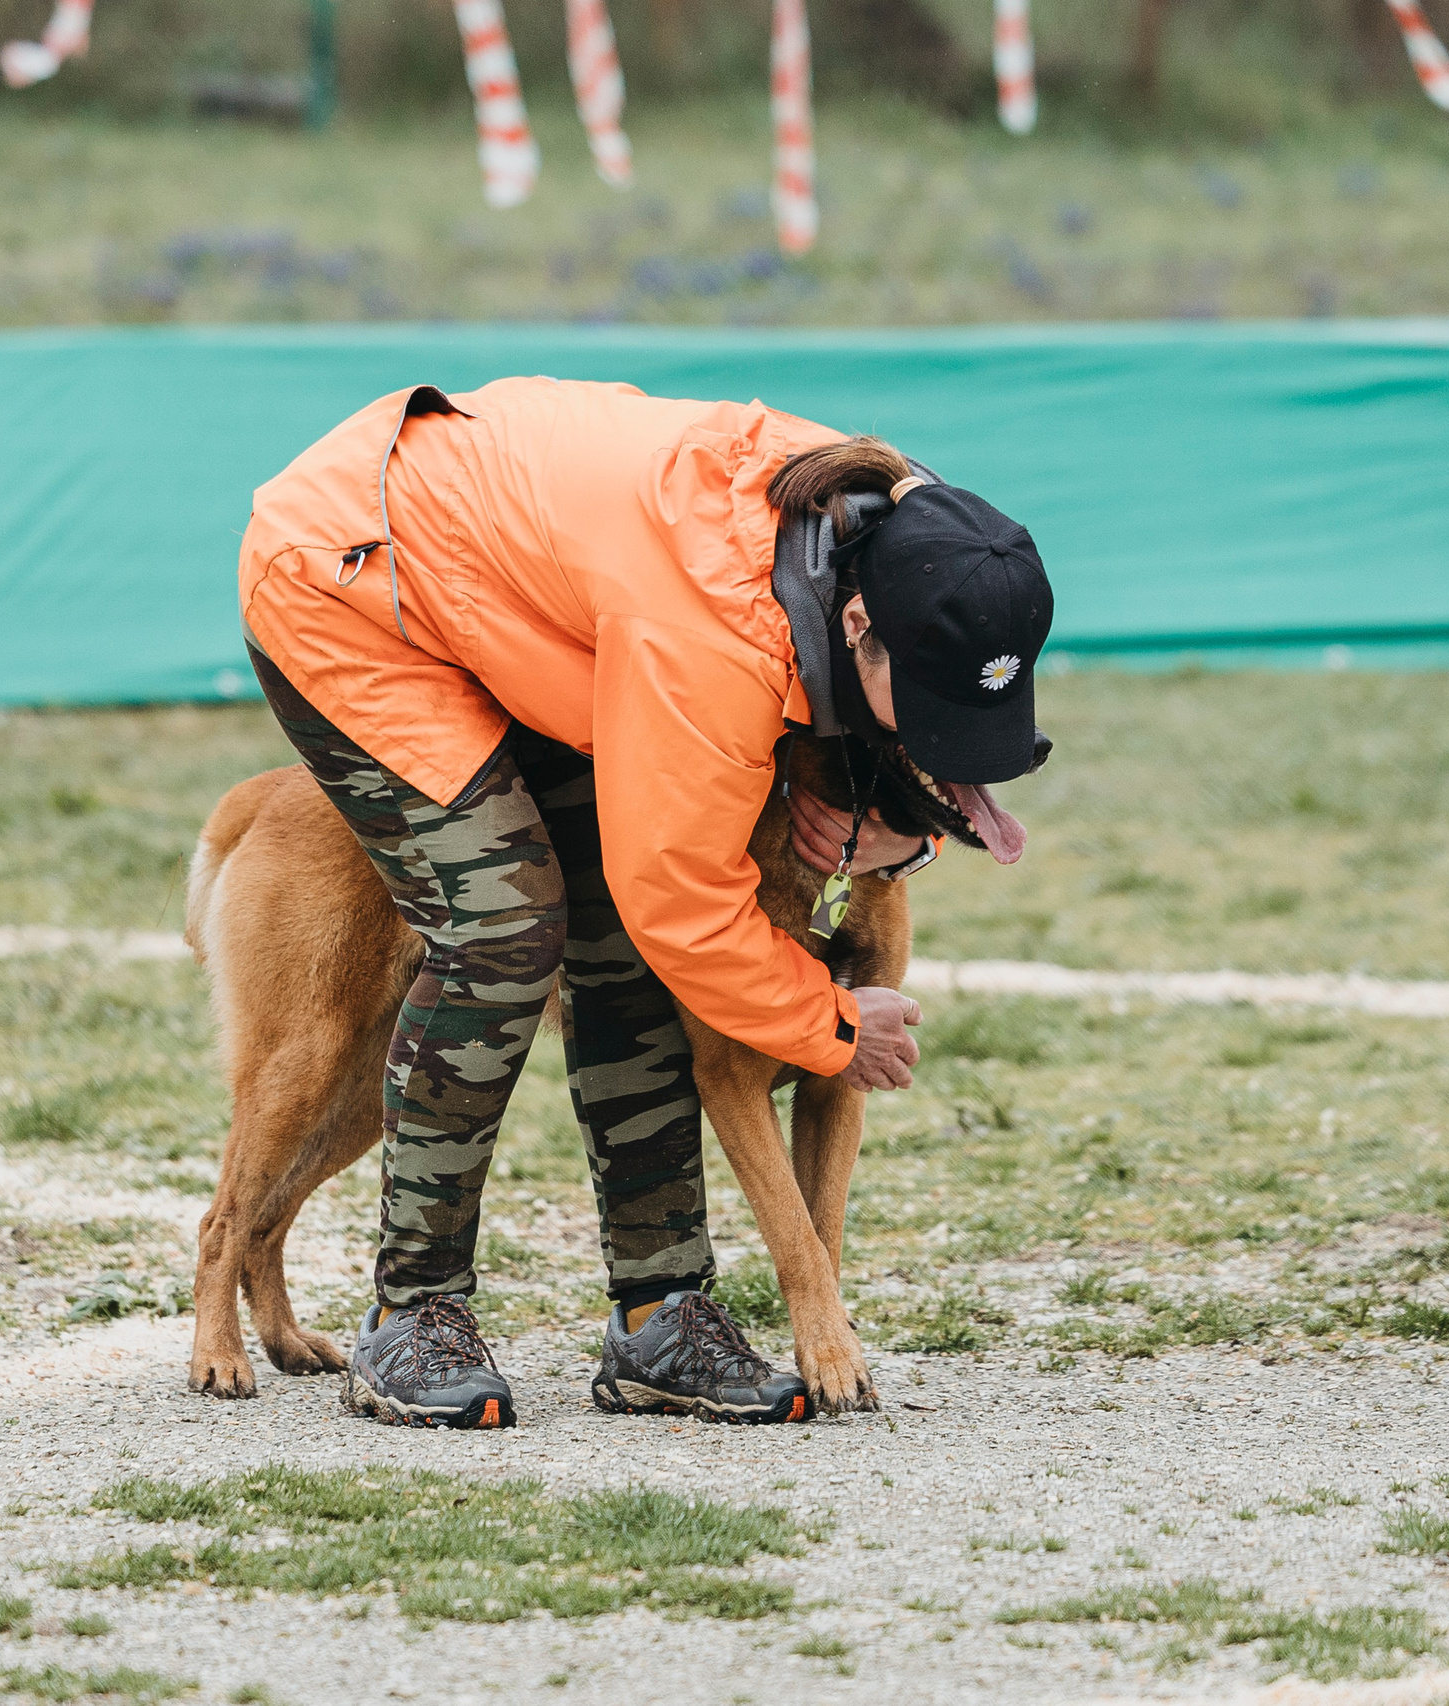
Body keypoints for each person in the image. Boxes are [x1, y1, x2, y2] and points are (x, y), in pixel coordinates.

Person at [238, 377, 1052, 1427]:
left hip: (541, 598)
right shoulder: (713, 641)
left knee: (614, 940)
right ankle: (414, 1310)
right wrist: (831, 1022)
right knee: (506, 922)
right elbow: (683, 902)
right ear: (858, 622)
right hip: (353, 577)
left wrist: (914, 827)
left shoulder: (927, 537)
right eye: (927, 712)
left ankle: (661, 1316)